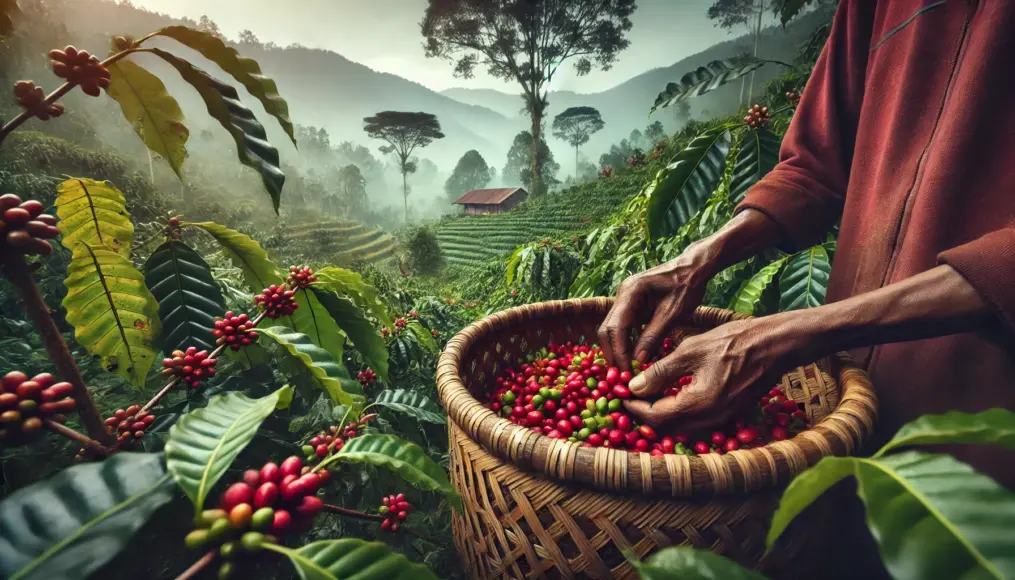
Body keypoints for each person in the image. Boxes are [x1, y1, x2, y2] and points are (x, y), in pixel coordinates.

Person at [599, 1, 1015, 577]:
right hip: (843, 413)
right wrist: (698, 259)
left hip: (981, 431)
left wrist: (791, 333)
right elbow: (814, 165)